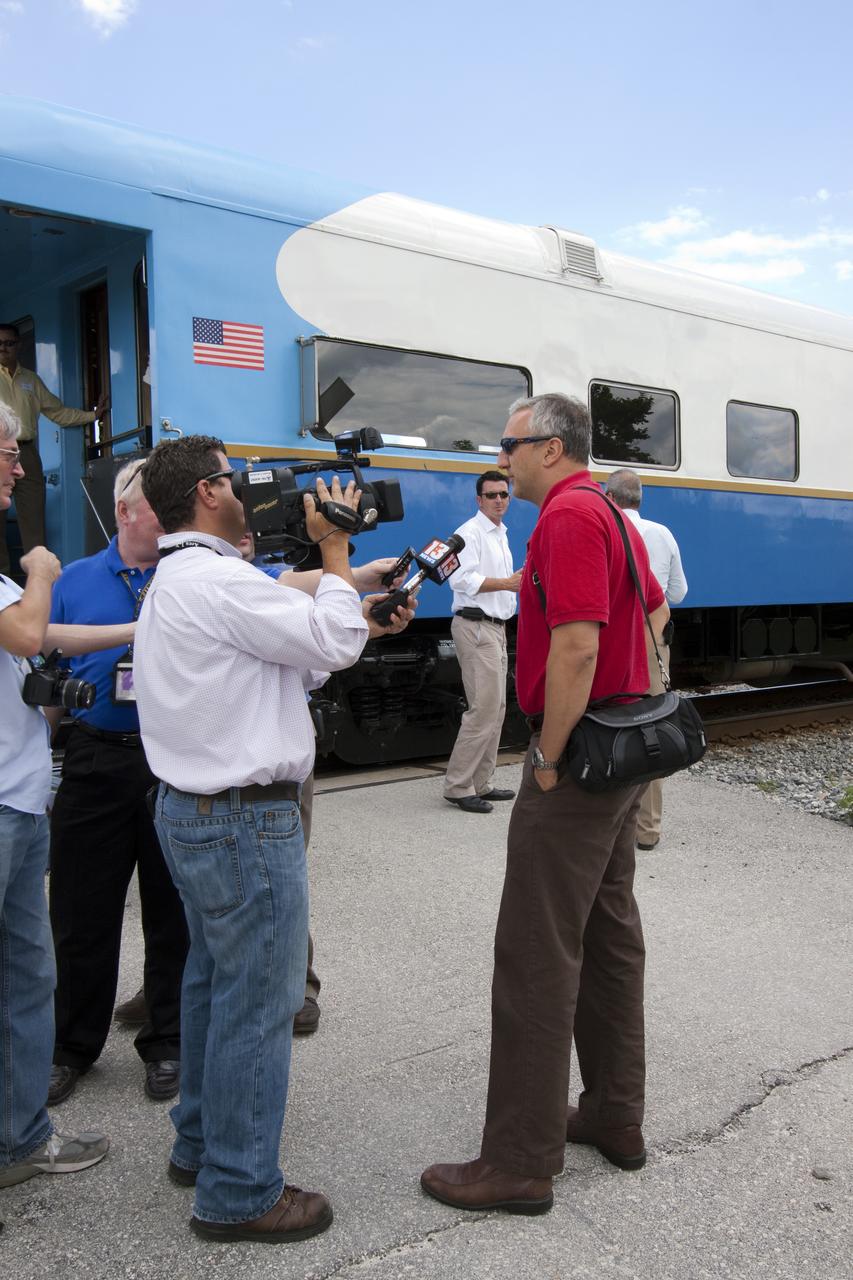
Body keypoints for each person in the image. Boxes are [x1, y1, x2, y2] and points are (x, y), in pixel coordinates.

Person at [134, 435, 412, 1244]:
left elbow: (293, 658)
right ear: (207, 494)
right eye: (235, 478)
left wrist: (359, 625)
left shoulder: (181, 578)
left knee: (211, 985)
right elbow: (319, 642)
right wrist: (334, 544)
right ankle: (239, 1191)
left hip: (193, 810)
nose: (253, 490)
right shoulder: (219, 577)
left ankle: (198, 1144)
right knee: (259, 1003)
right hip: (243, 822)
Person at [421, 393, 668, 1215]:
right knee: (606, 934)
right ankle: (612, 1115)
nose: (499, 458)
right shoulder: (607, 511)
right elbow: (629, 612)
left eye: (508, 443)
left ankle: (520, 1161)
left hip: (584, 757)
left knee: (534, 951)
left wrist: (548, 760)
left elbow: (576, 643)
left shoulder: (566, 515)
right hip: (627, 744)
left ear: (550, 448)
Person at [47, 458, 189, 1108]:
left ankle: (167, 1043)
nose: (176, 508)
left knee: (173, 914)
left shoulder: (191, 576)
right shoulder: (73, 581)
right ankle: (70, 1046)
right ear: (126, 510)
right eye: (161, 499)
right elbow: (41, 666)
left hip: (171, 762)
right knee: (81, 915)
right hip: (96, 761)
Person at [0, 404, 110, 1188]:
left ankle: (21, 1140)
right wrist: (45, 570)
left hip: (21, 801)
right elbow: (28, 635)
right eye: (7, 453)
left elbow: (45, 638)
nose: (17, 467)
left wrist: (138, 629)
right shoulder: (23, 575)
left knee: (27, 978)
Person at [605, 468, 688, 852]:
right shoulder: (662, 533)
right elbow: (678, 592)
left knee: (607, 722)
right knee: (651, 726)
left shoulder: (605, 528)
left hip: (610, 636)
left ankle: (608, 819)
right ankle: (648, 830)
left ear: (610, 497)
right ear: (639, 498)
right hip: (653, 636)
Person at [0, 323, 109, 576]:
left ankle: (40, 583)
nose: (4, 348)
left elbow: (57, 412)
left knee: (34, 522)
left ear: (19, 345)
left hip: (25, 452)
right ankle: (2, 585)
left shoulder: (30, 380)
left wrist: (93, 415)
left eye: (9, 343)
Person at [443, 470, 522, 814]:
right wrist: (506, 584)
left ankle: (481, 782)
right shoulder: (469, 532)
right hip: (476, 627)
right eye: (492, 495)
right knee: (483, 709)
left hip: (495, 628)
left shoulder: (500, 533)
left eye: (504, 494)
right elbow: (461, 580)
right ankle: (459, 785)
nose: (499, 500)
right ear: (479, 500)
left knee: (497, 708)